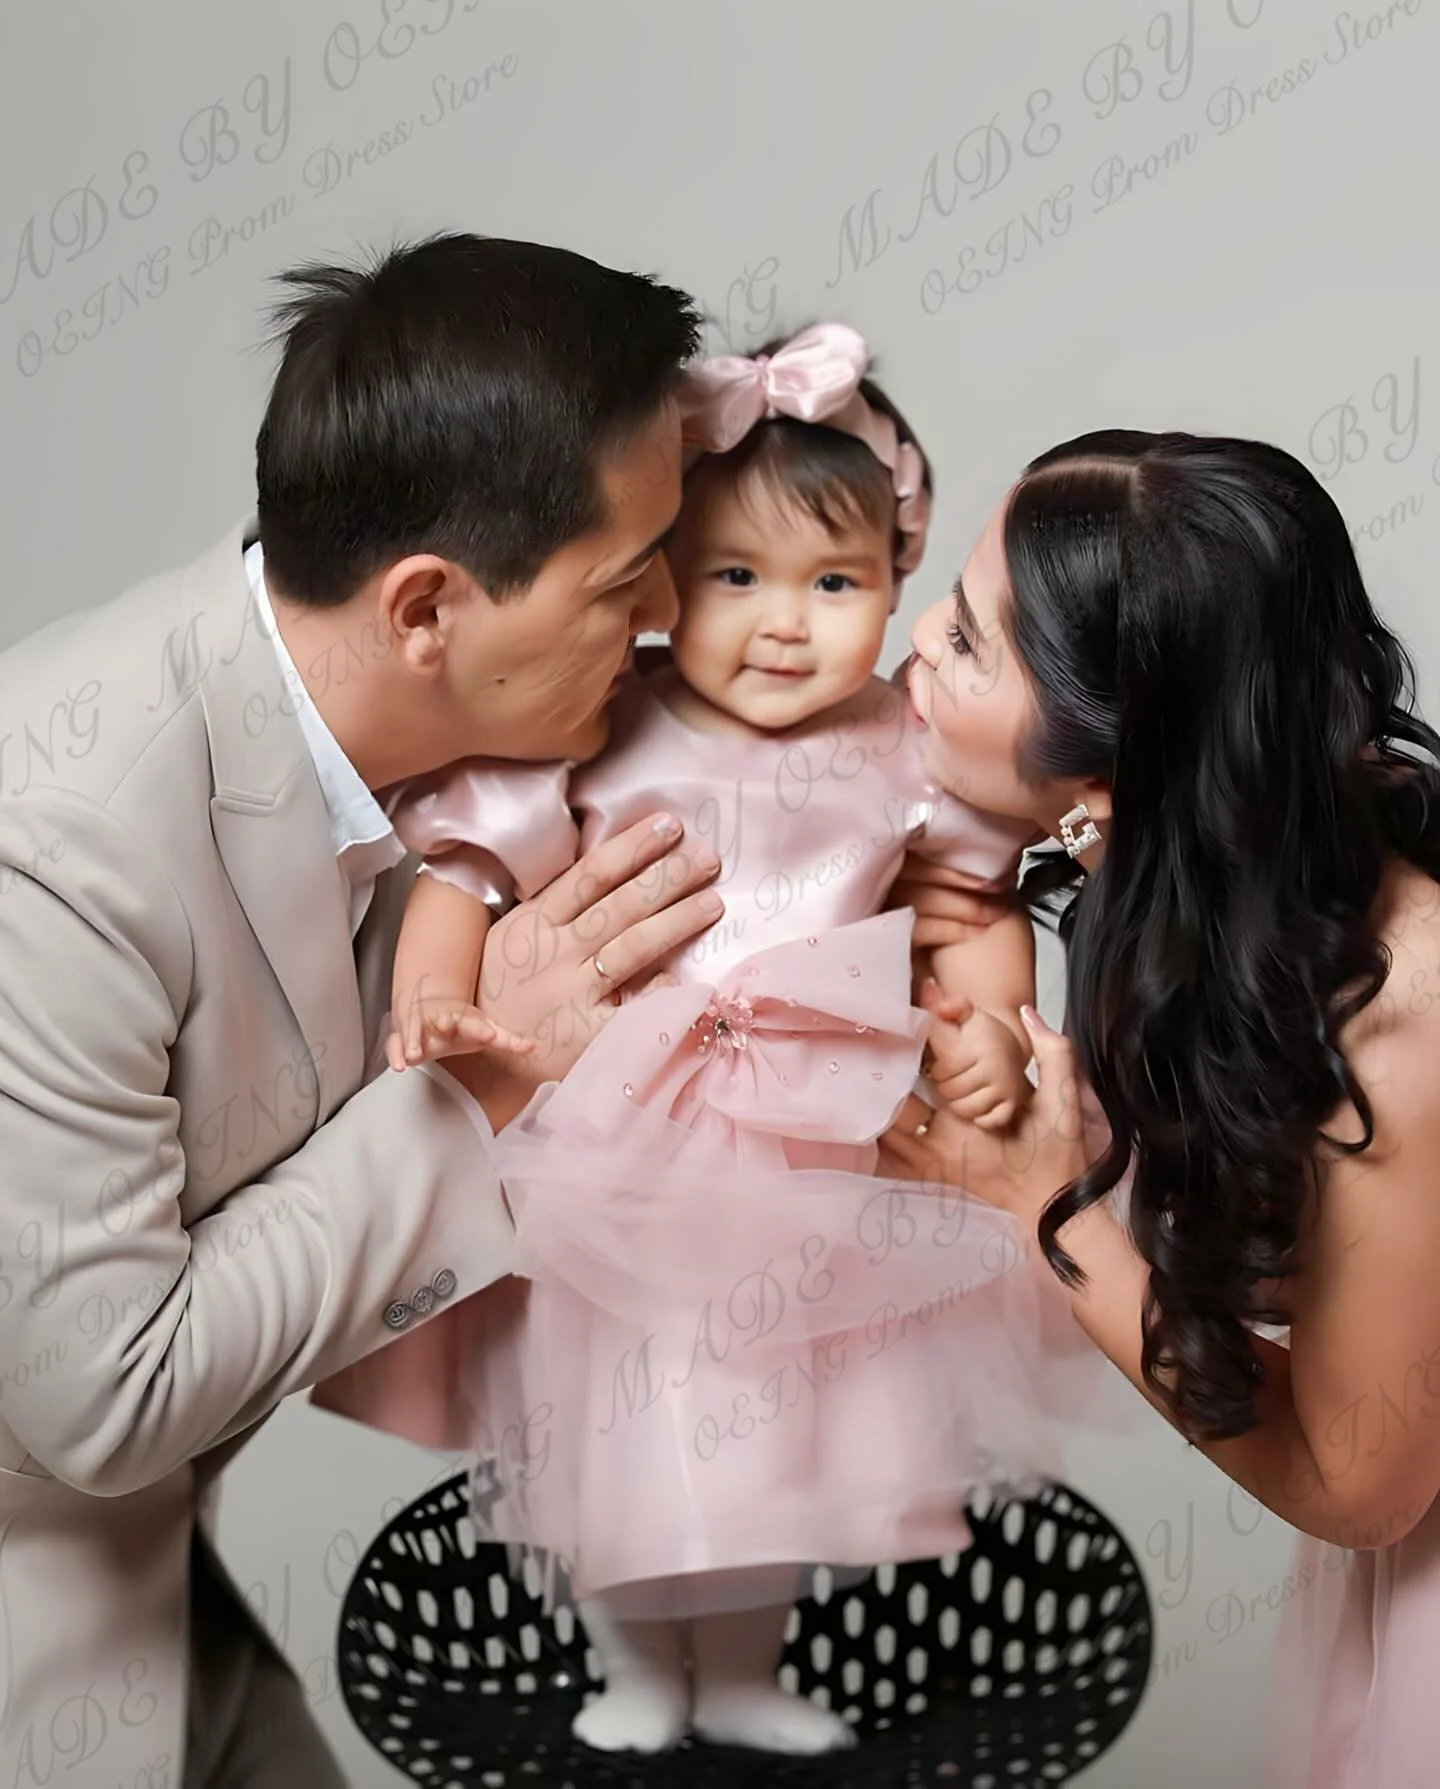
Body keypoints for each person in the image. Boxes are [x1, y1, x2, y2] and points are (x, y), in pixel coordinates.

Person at [314, 321, 1113, 1759]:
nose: (785, 622)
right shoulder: (598, 724)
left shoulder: (903, 750)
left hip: (831, 1151)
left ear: (898, 585)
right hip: (619, 1153)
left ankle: (742, 1669)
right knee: (617, 1437)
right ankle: (636, 1662)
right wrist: (434, 996)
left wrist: (995, 1022)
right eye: (736, 576)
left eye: (836, 583)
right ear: (661, 575)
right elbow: (469, 872)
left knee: (793, 1441)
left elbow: (966, 903)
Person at [0, 233, 727, 1787]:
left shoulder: (454, 757)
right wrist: (478, 1089)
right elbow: (105, 1394)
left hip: (156, 1578)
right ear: (424, 612)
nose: (670, 612)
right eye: (624, 579)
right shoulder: (55, 844)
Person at [881, 429, 1440, 1789]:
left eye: (965, 644)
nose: (910, 653)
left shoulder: (1402, 1029)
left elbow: (1361, 1484)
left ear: (1103, 778)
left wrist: (1051, 1217)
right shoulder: (1253, 858)